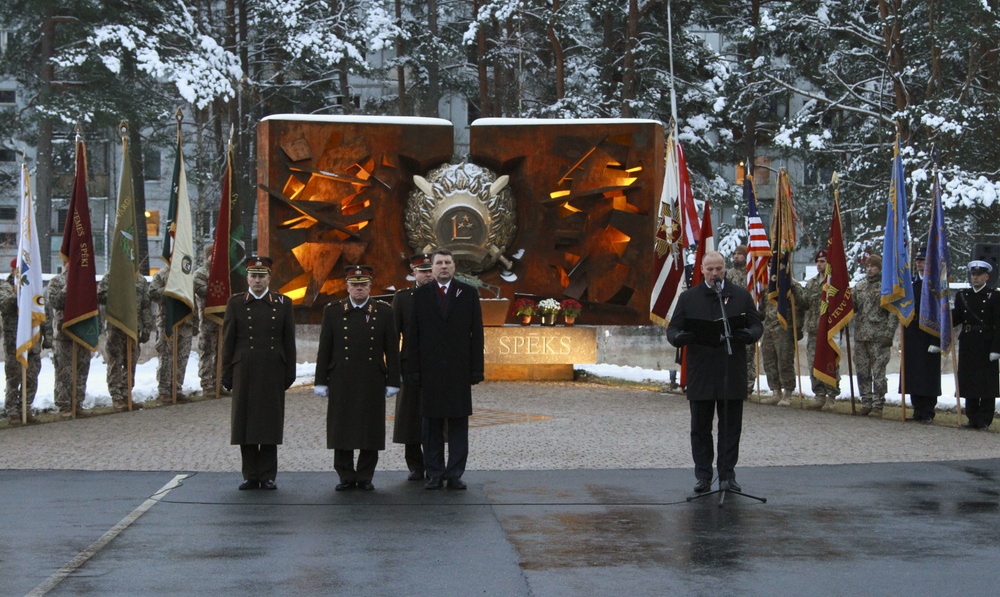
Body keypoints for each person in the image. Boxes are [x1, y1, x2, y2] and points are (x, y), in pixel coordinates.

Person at [666, 251, 763, 494]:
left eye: (718, 268)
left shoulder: (739, 295)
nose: (715, 273)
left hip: (731, 370)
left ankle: (727, 475)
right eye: (710, 269)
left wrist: (749, 335)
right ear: (701, 270)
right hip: (701, 372)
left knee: (730, 428)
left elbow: (756, 324)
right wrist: (679, 337)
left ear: (725, 269)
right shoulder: (689, 298)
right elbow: (673, 328)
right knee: (700, 427)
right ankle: (703, 476)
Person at [314, 265, 400, 491]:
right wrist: (320, 380)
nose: (359, 288)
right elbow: (325, 348)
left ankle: (365, 476)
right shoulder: (333, 311)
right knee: (341, 427)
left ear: (370, 286)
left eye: (363, 284)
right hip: (341, 378)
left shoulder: (383, 311)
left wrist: (393, 380)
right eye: (355, 285)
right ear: (347, 286)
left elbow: (391, 349)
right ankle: (344, 474)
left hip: (372, 378)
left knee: (369, 428)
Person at [405, 248, 485, 490]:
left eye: (447, 263)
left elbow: (477, 334)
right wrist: (413, 369)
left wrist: (476, 369)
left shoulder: (468, 293)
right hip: (429, 372)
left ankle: (455, 473)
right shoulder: (420, 296)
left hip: (458, 371)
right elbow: (412, 335)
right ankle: (435, 473)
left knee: (459, 423)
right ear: (432, 267)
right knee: (431, 426)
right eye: (438, 263)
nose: (443, 267)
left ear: (454, 267)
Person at [221, 256, 296, 490]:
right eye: (254, 276)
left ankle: (268, 474)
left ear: (269, 278)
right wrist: (226, 372)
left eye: (262, 277)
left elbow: (288, 341)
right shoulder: (235, 304)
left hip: (273, 368)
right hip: (245, 369)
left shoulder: (283, 303)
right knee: (246, 422)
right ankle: (250, 474)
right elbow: (228, 340)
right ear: (248, 278)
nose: (257, 281)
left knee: (270, 423)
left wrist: (289, 372)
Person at [391, 252, 435, 481]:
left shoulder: (443, 295)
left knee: (435, 416)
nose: (427, 275)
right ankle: (415, 466)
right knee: (410, 417)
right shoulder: (403, 298)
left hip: (435, 365)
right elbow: (393, 334)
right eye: (423, 271)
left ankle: (434, 463)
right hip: (409, 365)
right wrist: (393, 368)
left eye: (430, 270)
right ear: (413, 273)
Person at [952, 259, 1000, 430]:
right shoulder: (962, 296)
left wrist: (996, 348)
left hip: (986, 343)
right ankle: (972, 417)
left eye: (979, 275)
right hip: (968, 341)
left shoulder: (994, 297)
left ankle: (985, 419)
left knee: (986, 383)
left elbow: (998, 325)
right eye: (973, 274)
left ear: (987, 276)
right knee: (969, 380)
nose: (975, 278)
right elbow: (955, 318)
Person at [97, 271, 154, 412]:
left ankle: (126, 394)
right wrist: (118, 290)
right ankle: (116, 397)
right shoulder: (112, 275)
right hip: (115, 327)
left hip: (134, 328)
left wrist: (147, 327)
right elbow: (100, 296)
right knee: (115, 362)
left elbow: (146, 305)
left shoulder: (140, 279)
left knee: (131, 362)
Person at [1, 260, 50, 424]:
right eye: (17, 270)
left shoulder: (34, 289)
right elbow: (6, 305)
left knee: (31, 377)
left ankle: (25, 409)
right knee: (13, 378)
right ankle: (12, 412)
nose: (19, 273)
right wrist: (21, 293)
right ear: (13, 270)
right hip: (14, 342)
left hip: (33, 341)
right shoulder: (5, 287)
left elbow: (43, 312)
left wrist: (47, 337)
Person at [851, 254, 899, 417]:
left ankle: (878, 404)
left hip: (879, 338)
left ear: (879, 268)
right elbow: (852, 307)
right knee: (862, 371)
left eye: (873, 266)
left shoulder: (886, 288)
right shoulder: (859, 286)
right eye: (867, 266)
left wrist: (889, 334)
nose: (870, 269)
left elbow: (893, 313)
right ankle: (866, 402)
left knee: (878, 373)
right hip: (861, 337)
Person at [902, 246, 941, 423]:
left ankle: (928, 411)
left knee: (928, 373)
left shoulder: (936, 285)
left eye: (923, 260)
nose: (919, 263)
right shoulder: (911, 285)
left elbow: (941, 314)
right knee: (913, 373)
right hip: (912, 332)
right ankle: (917, 410)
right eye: (918, 260)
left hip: (929, 333)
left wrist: (936, 339)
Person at [47, 269, 93, 417]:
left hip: (83, 332)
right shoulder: (56, 281)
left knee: (82, 368)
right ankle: (64, 406)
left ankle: (77, 403)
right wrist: (70, 286)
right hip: (64, 335)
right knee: (64, 372)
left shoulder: (86, 280)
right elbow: (56, 302)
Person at [149, 264, 198, 403]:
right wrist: (168, 290)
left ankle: (177, 388)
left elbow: (192, 299)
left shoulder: (187, 274)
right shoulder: (162, 274)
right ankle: (164, 390)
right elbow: (152, 293)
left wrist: (195, 322)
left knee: (182, 357)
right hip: (167, 321)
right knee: (166, 356)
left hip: (186, 322)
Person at [802, 250, 839, 411]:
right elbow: (804, 303)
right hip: (814, 330)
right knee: (813, 364)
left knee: (830, 363)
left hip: (830, 331)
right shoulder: (811, 284)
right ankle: (819, 395)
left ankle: (831, 396)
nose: (819, 264)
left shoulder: (835, 283)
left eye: (822, 261)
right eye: (817, 261)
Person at [758, 279, 804, 406]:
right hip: (768, 328)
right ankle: (775, 392)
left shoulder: (790, 283)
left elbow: (803, 303)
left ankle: (788, 393)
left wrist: (792, 286)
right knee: (769, 361)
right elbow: (762, 309)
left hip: (784, 327)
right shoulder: (767, 286)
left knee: (784, 361)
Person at [193, 243, 224, 396]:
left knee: (222, 352)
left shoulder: (224, 273)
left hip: (222, 320)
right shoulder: (200, 274)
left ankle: (220, 382)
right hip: (207, 321)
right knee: (207, 352)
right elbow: (205, 292)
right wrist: (220, 282)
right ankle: (207, 384)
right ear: (208, 256)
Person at [726, 245, 757, 394]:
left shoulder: (752, 274)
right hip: (731, 318)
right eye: (735, 254)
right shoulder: (729, 274)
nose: (736, 256)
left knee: (748, 354)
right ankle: (733, 384)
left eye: (740, 254)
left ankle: (748, 385)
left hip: (747, 319)